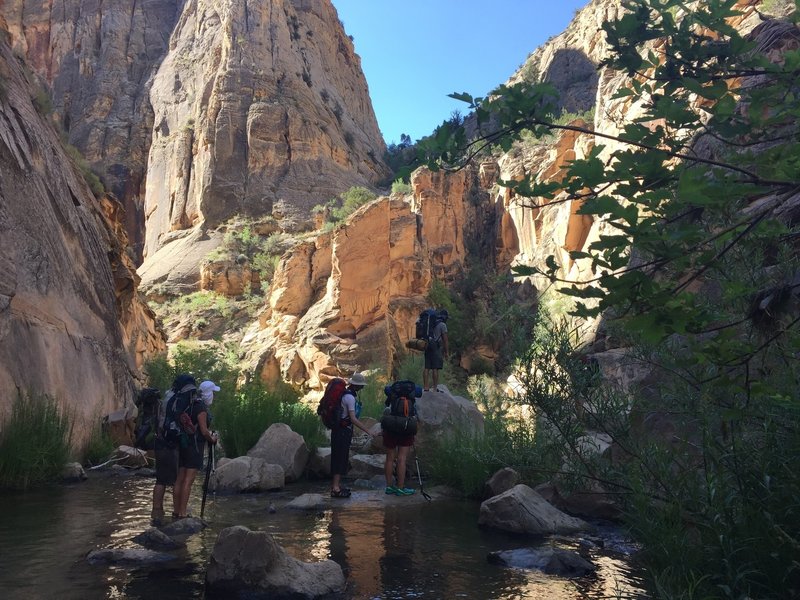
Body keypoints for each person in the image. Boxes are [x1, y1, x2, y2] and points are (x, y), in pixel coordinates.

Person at [151, 374, 195, 525]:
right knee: (166, 480)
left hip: (160, 440)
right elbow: (179, 421)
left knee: (161, 479)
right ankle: (163, 513)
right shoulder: (180, 399)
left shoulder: (169, 395)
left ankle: (157, 513)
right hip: (169, 443)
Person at [172, 379, 219, 519]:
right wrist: (213, 439)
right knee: (188, 480)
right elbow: (204, 431)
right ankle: (182, 513)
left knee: (180, 479)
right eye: (213, 393)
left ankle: (176, 511)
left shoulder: (190, 403)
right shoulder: (201, 408)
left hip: (183, 444)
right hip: (195, 447)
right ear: (208, 394)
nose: (213, 396)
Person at [331, 372, 376, 498]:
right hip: (343, 431)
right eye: (361, 386)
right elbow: (353, 419)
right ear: (357, 386)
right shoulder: (350, 398)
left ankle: (336, 486)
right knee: (340, 458)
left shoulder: (345, 395)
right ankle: (335, 488)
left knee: (338, 456)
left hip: (338, 430)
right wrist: (369, 431)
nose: (362, 388)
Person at [383, 383, 422, 496]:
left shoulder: (392, 391)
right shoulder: (413, 391)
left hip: (391, 425)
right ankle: (400, 488)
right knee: (402, 458)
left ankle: (389, 486)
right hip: (406, 426)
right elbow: (420, 393)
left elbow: (386, 390)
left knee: (389, 458)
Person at [423, 309, 449, 392]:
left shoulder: (430, 323)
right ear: (445, 317)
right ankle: (434, 388)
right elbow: (445, 340)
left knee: (426, 367)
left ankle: (426, 387)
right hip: (435, 347)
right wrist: (446, 352)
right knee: (435, 368)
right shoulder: (442, 325)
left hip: (427, 345)